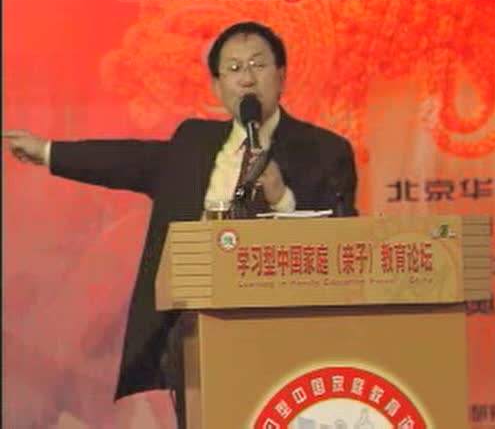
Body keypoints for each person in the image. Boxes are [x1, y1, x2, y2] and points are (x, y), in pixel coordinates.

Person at [3, 21, 358, 427]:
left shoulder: (325, 150)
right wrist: (47, 151)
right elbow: (128, 160)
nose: (246, 78)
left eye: (258, 65)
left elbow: (343, 245)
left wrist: (281, 198)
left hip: (288, 331)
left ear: (282, 76)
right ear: (217, 87)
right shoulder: (193, 143)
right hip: (195, 329)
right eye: (234, 68)